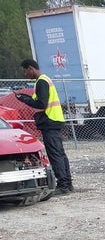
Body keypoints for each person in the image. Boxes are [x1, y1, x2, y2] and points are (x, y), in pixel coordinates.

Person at [15, 59, 73, 195]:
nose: (25, 74)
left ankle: (63, 185)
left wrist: (24, 99)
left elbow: (41, 104)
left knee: (55, 155)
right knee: (60, 154)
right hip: (54, 120)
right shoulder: (45, 80)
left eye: (26, 71)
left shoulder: (41, 81)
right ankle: (68, 184)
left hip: (49, 121)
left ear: (31, 68)